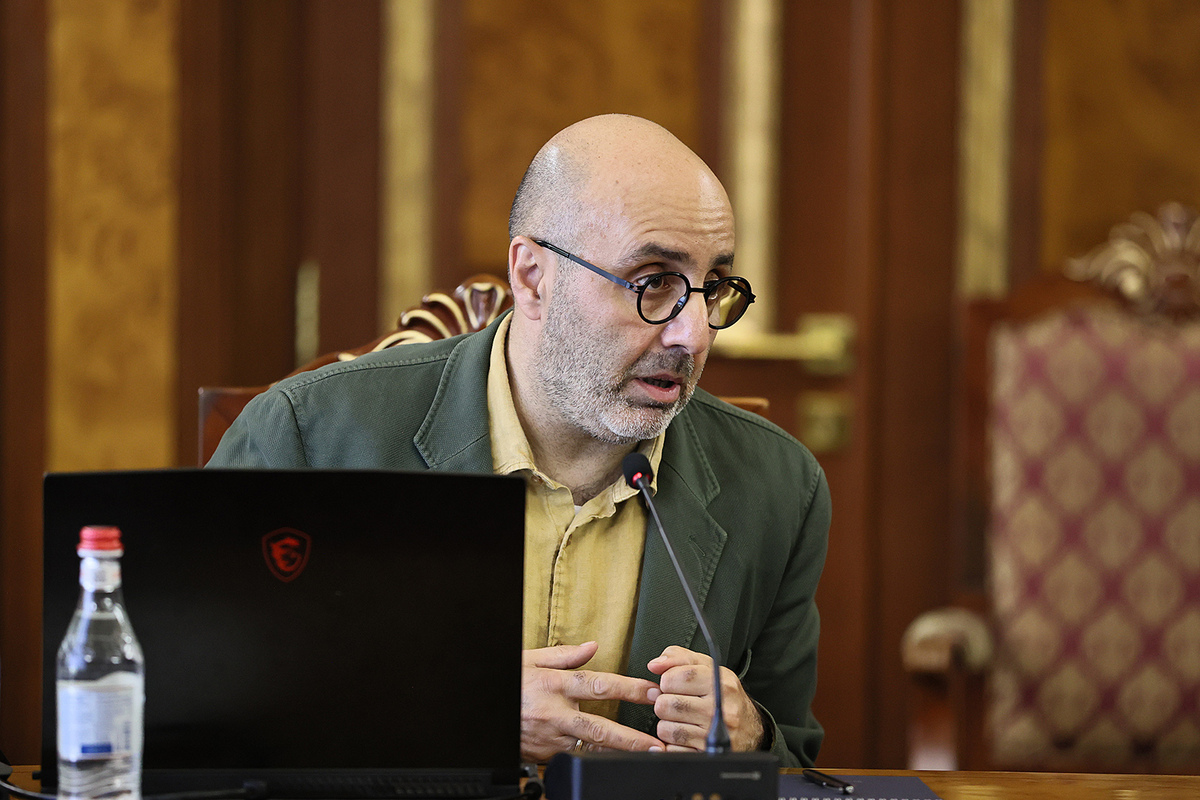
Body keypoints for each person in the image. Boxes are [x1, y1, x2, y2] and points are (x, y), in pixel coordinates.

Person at [209, 114, 831, 767]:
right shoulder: (309, 438)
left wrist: (752, 735)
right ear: (533, 277)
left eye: (714, 289)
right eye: (654, 284)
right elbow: (201, 721)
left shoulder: (778, 486)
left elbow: (799, 758)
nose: (694, 335)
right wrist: (460, 712)